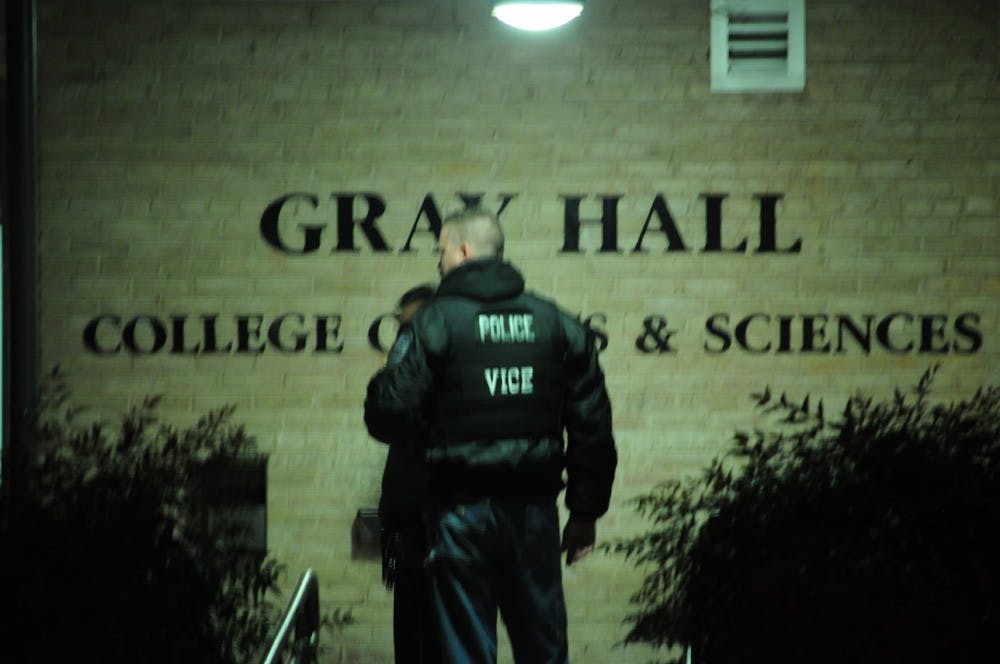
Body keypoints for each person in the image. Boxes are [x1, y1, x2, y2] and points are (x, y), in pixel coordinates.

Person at [364, 207, 617, 664]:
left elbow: (388, 415)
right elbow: (592, 421)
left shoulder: (435, 323)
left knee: (464, 650)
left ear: (462, 251)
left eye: (441, 251)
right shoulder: (556, 322)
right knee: (542, 647)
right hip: (535, 511)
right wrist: (585, 512)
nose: (438, 262)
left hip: (460, 511)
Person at [376, 283, 439, 664]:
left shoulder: (420, 359)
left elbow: (386, 405)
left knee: (423, 635)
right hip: (424, 521)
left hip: (432, 520)